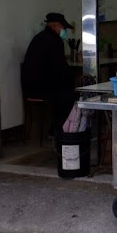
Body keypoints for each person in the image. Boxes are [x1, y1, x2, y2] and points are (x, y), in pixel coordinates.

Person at [21, 12, 76, 142]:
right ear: (56, 26)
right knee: (69, 96)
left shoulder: (40, 38)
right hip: (40, 88)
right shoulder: (54, 41)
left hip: (31, 85)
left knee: (65, 91)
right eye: (64, 28)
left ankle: (56, 129)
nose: (65, 31)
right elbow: (60, 68)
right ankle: (57, 130)